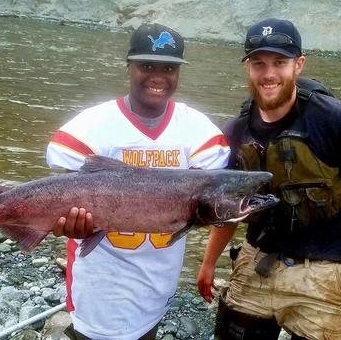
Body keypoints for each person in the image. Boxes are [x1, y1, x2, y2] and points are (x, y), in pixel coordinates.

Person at [197, 18, 341, 340]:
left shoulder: (335, 120)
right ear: (248, 68)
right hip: (257, 259)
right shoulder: (235, 132)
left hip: (324, 268)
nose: (269, 74)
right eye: (259, 64)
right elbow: (229, 207)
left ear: (298, 65)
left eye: (279, 63)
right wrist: (208, 262)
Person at [46, 23, 230, 340]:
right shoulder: (89, 126)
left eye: (169, 68)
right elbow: (62, 197)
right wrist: (62, 222)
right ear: (128, 65)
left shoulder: (199, 131)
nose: (158, 77)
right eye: (147, 65)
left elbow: (209, 202)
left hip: (158, 286)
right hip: (101, 290)